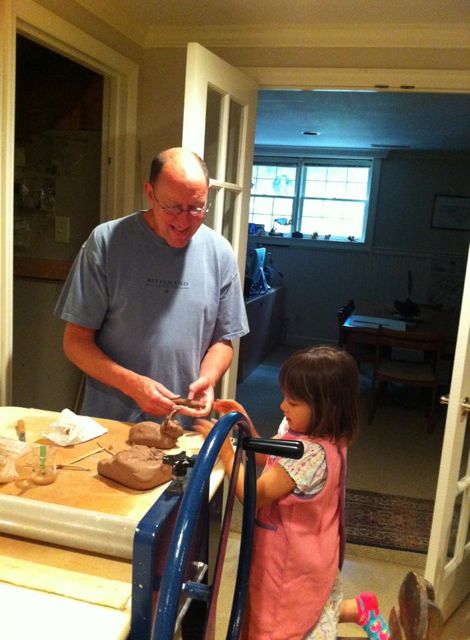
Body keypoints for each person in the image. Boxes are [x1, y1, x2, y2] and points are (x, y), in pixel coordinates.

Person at [196, 345, 390, 640]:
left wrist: (225, 452)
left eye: (293, 401)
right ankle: (358, 608)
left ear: (328, 408)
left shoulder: (310, 454)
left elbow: (255, 495)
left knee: (280, 621)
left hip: (293, 559)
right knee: (310, 607)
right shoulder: (307, 430)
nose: (283, 407)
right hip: (310, 546)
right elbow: (269, 456)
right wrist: (245, 425)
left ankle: (355, 611)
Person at [54, 147, 248, 424]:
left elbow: (222, 341)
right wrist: (133, 385)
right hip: (111, 421)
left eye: (196, 208)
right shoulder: (107, 242)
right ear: (150, 193)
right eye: (173, 207)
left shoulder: (219, 252)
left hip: (184, 424)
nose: (183, 221)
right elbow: (75, 342)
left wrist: (208, 378)